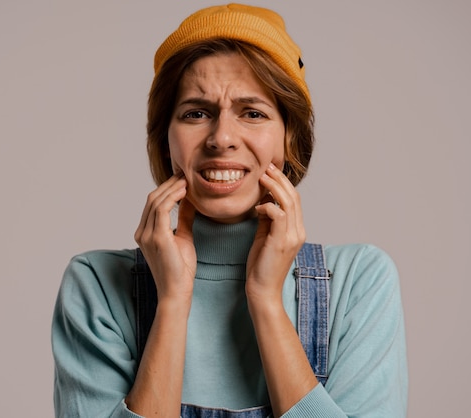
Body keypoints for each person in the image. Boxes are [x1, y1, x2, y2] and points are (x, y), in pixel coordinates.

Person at [51, 4, 408, 417]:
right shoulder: (97, 287)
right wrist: (171, 302)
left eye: (252, 113)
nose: (222, 138)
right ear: (166, 141)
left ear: (289, 140)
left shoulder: (358, 282)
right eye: (196, 113)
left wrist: (265, 301)